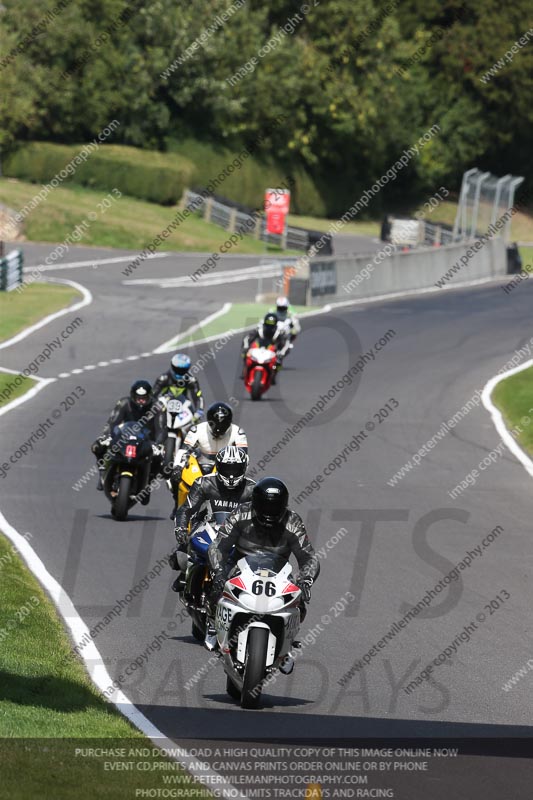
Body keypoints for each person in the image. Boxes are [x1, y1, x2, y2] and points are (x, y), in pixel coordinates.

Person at [205, 477, 320, 661]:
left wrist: (306, 580)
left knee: (300, 603)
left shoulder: (293, 522)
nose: (269, 512)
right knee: (215, 588)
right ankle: (213, 625)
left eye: (275, 508)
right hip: (239, 564)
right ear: (255, 503)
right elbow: (218, 546)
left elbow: (309, 557)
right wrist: (218, 573)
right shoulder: (241, 513)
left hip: (278, 571)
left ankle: (286, 646)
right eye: (265, 507)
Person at [169, 446, 255, 592]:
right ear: (218, 467)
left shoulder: (253, 488)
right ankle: (185, 574)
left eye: (235, 469)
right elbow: (186, 509)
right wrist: (181, 528)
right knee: (181, 556)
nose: (231, 475)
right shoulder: (204, 483)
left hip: (237, 533)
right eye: (227, 469)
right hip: (206, 524)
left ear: (244, 467)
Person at [169, 401, 248, 513]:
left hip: (225, 464)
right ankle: (178, 503)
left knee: (239, 485)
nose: (219, 432)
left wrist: (239, 473)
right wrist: (177, 467)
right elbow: (184, 450)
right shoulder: (196, 429)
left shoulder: (238, 432)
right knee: (175, 477)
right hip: (199, 460)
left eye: (223, 427)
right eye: (215, 426)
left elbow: (243, 456)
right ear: (209, 422)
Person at [91, 380, 165, 492]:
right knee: (97, 446)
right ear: (132, 396)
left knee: (160, 457)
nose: (141, 401)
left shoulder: (157, 407)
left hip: (147, 441)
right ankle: (102, 472)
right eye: (138, 398)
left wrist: (158, 444)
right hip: (123, 438)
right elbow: (112, 422)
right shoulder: (123, 403)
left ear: (149, 397)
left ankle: (149, 481)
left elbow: (161, 429)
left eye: (144, 398)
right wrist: (107, 436)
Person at [241, 312, 289, 384]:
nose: (269, 327)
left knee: (279, 363)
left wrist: (281, 353)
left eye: (271, 325)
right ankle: (245, 370)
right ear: (264, 323)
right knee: (245, 355)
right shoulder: (259, 330)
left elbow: (286, 344)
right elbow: (247, 338)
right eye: (268, 324)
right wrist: (246, 347)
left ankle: (273, 375)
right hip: (258, 349)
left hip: (272, 352)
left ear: (275, 325)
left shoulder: (279, 333)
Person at [153, 353, 204, 420]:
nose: (180, 372)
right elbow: (153, 395)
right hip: (165, 407)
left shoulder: (191, 380)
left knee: (196, 421)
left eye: (183, 370)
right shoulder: (163, 378)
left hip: (183, 407)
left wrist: (199, 411)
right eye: (177, 369)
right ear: (172, 367)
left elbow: (198, 397)